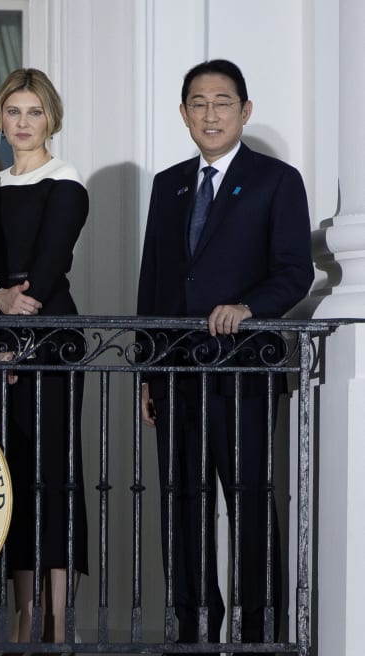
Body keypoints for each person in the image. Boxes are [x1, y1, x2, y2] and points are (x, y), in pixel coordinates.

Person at [137, 59, 313, 650]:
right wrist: (147, 371)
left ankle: (261, 633)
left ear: (245, 110)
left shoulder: (276, 180)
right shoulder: (169, 184)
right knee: (181, 508)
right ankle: (191, 631)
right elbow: (154, 283)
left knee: (250, 507)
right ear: (184, 113)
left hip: (244, 376)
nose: (210, 114)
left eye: (222, 102)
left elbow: (295, 272)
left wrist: (246, 307)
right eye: (198, 103)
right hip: (177, 375)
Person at [0, 67, 89, 646]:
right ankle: (25, 616)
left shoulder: (65, 178)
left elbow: (47, 269)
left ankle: (59, 618)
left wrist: (14, 339)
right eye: (14, 112)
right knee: (10, 477)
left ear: (52, 118)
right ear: (1, 118)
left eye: (35, 113)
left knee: (54, 475)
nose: (23, 123)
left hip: (49, 338)